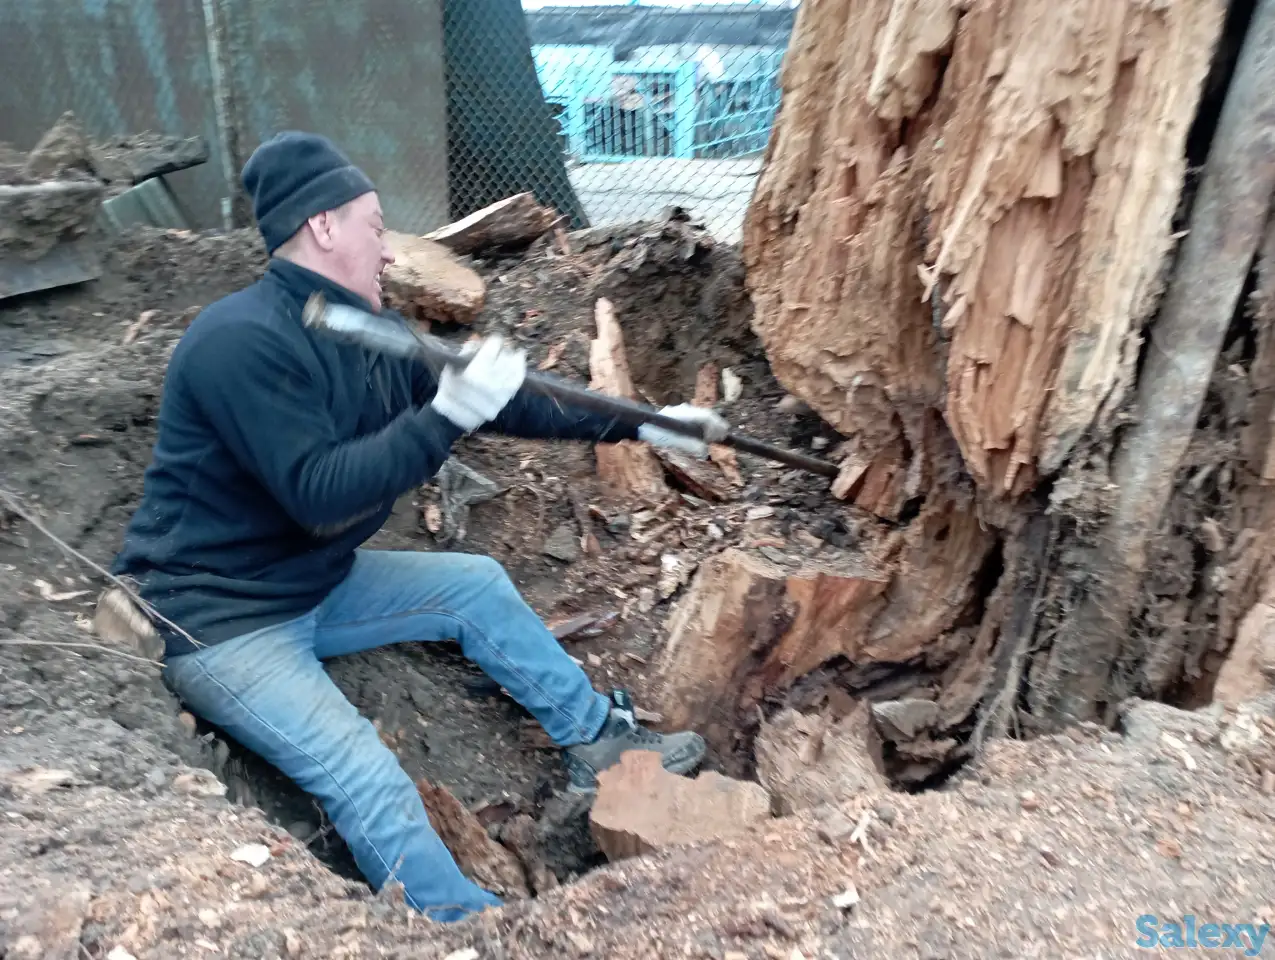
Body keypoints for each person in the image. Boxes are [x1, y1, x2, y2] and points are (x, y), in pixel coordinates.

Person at [112, 131, 722, 922]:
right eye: (374, 224)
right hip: (221, 621)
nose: (391, 250)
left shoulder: (366, 331)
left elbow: (513, 397)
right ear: (323, 226)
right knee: (364, 772)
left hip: (311, 584)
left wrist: (642, 425)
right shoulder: (238, 341)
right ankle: (463, 929)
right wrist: (442, 417)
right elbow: (318, 496)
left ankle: (596, 744)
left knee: (475, 587)